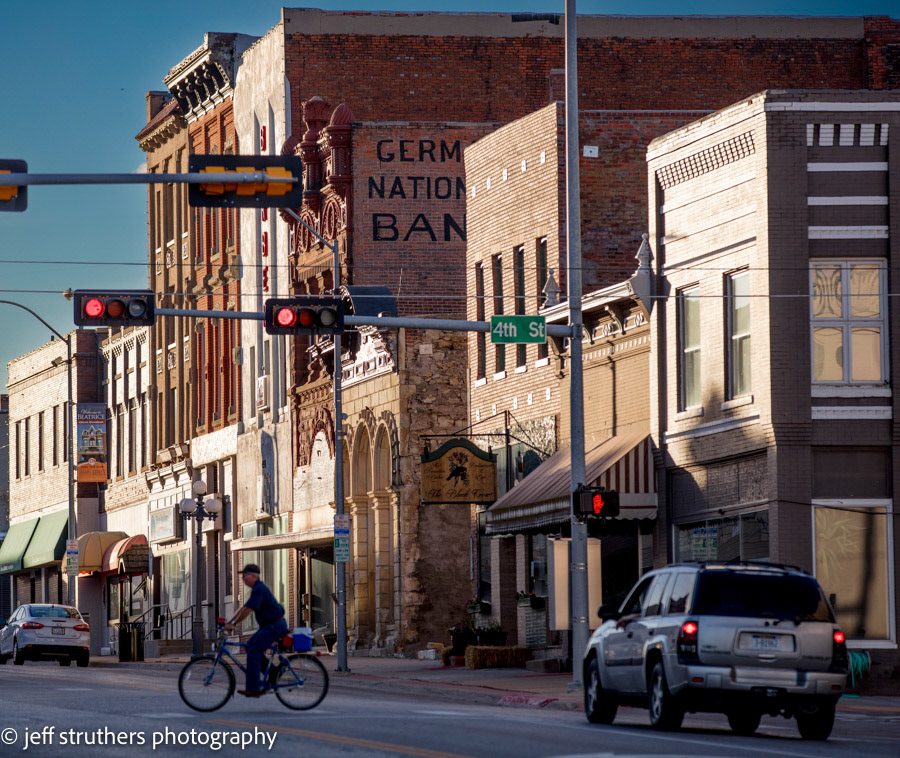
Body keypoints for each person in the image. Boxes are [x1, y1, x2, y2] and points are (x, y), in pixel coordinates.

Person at [224, 564, 287, 697]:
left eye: (244, 576)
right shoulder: (256, 589)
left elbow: (248, 610)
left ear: (253, 576)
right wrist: (229, 623)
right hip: (268, 626)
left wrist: (234, 624)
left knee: (253, 652)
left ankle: (253, 689)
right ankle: (273, 672)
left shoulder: (259, 588)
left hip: (274, 626)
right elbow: (243, 608)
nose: (242, 579)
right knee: (249, 646)